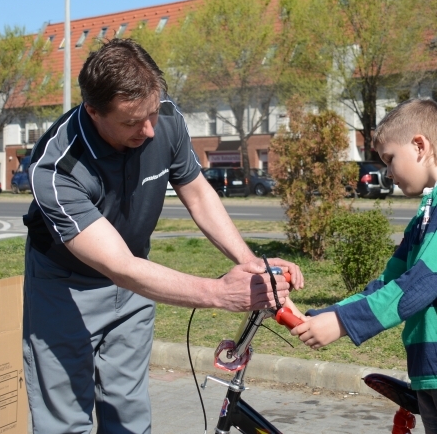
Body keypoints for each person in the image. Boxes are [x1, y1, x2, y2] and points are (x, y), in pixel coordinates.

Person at [21, 38, 303, 434]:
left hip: (137, 280)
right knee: (65, 419)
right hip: (67, 288)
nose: (149, 130)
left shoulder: (165, 119)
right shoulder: (56, 169)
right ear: (93, 111)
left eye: (152, 113)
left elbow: (199, 193)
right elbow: (117, 265)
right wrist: (219, 294)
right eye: (132, 121)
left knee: (129, 411)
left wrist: (249, 263)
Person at [292, 99, 437, 434]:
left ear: (420, 145)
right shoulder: (429, 208)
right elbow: (390, 281)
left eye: (390, 159)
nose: (387, 171)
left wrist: (344, 323)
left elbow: (424, 280)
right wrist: (326, 315)